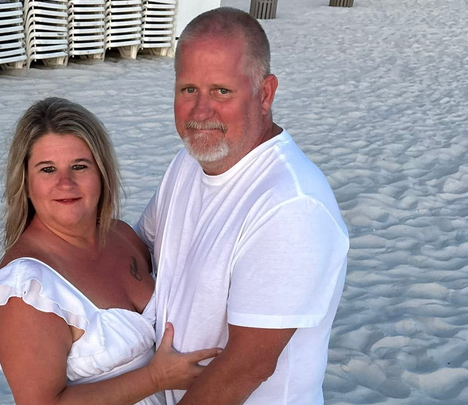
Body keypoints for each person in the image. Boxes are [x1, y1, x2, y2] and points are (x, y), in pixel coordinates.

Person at [134, 8, 350, 405]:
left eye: (221, 91)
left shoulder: (291, 205)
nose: (201, 112)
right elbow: (138, 249)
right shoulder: (188, 163)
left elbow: (244, 369)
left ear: (265, 94)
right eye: (188, 90)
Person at [0, 97, 220, 405]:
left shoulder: (122, 236)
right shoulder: (26, 289)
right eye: (47, 169)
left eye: (79, 166)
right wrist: (156, 378)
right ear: (26, 182)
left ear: (101, 172)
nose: (65, 183)